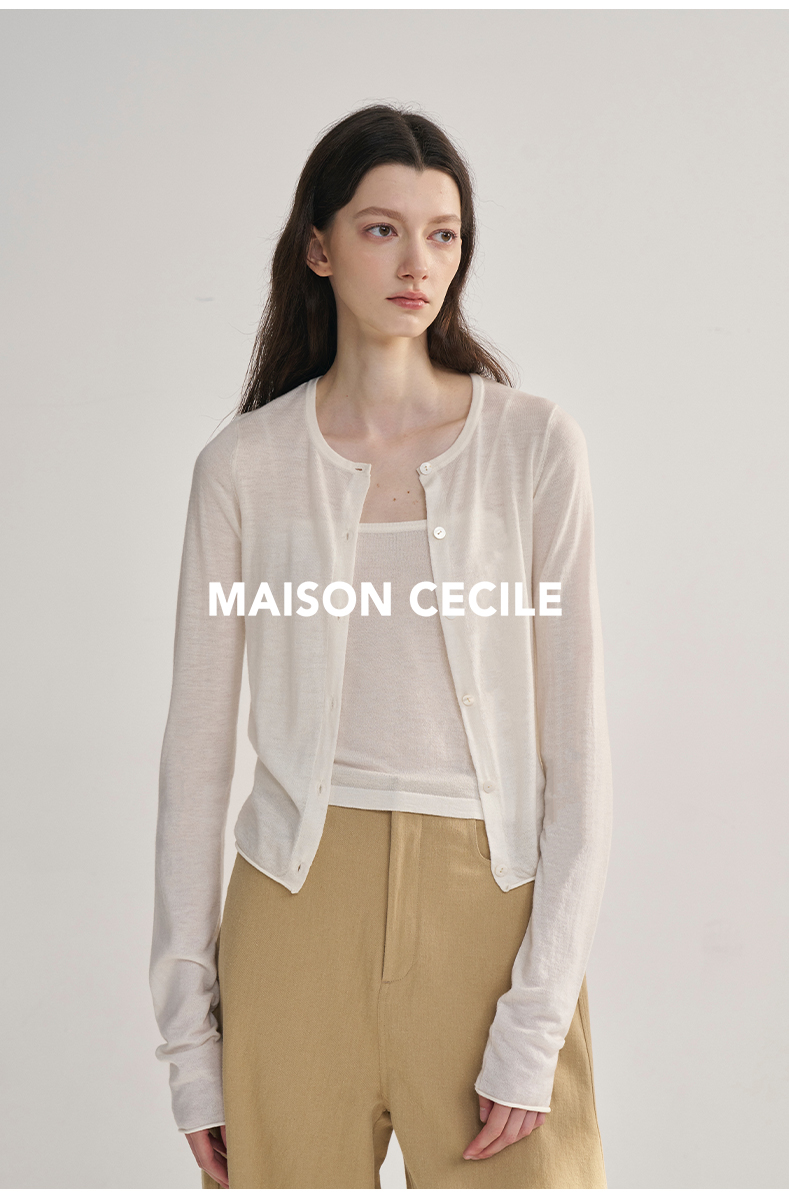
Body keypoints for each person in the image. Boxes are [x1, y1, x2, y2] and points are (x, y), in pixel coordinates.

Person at [149, 103, 613, 1189]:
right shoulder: (244, 467)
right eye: (381, 230)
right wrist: (189, 1047)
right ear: (318, 248)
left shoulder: (534, 447)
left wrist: (537, 1016)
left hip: (489, 916)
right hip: (295, 915)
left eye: (443, 234)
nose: (418, 263)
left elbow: (578, 755)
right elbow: (196, 761)